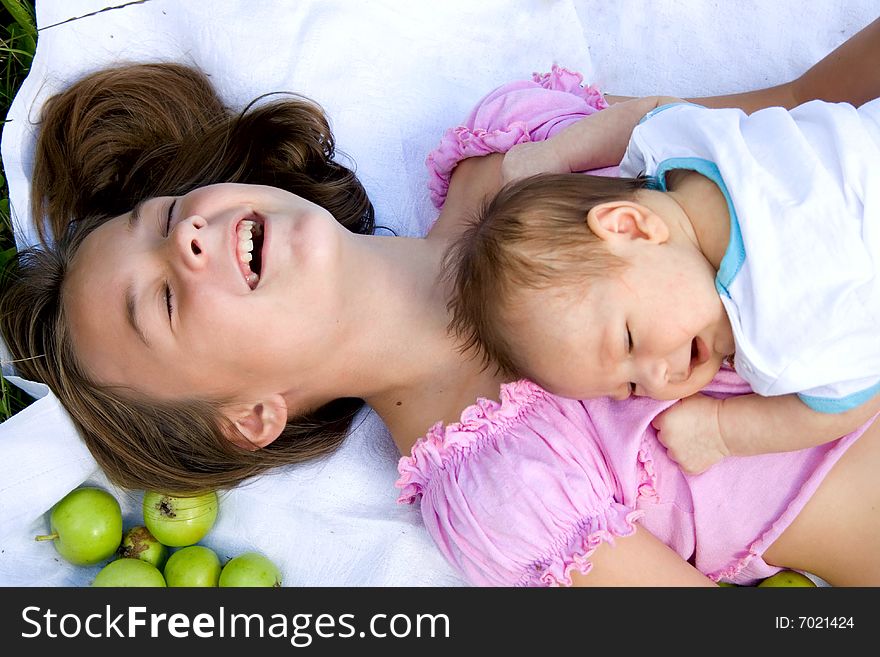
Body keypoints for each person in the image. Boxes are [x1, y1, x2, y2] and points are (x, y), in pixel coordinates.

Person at [1, 18, 879, 586]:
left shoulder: (521, 157)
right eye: (159, 301)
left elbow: (795, 114)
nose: (187, 236)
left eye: (165, 217)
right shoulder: (502, 491)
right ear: (252, 415)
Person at [446, 49, 880, 476]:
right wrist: (554, 155)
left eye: (630, 341)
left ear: (629, 226)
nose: (655, 382)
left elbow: (850, 398)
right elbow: (648, 111)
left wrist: (722, 431)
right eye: (631, 387)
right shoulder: (682, 148)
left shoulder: (776, 334)